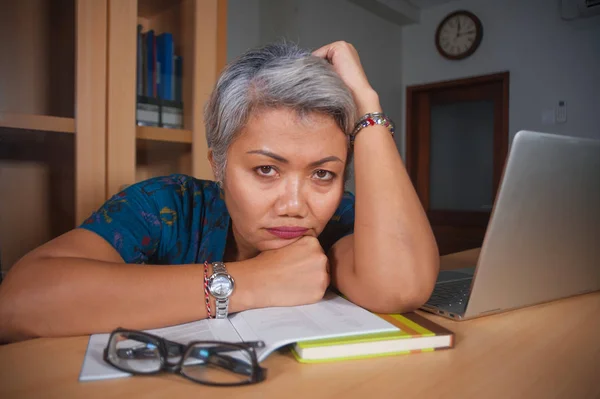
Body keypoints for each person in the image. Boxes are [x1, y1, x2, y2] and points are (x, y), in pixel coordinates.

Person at [0, 41, 439, 343]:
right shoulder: (166, 204)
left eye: (323, 174)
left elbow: (400, 288)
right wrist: (250, 283)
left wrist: (368, 106)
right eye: (266, 169)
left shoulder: (339, 215)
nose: (295, 205)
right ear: (219, 164)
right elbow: (19, 303)